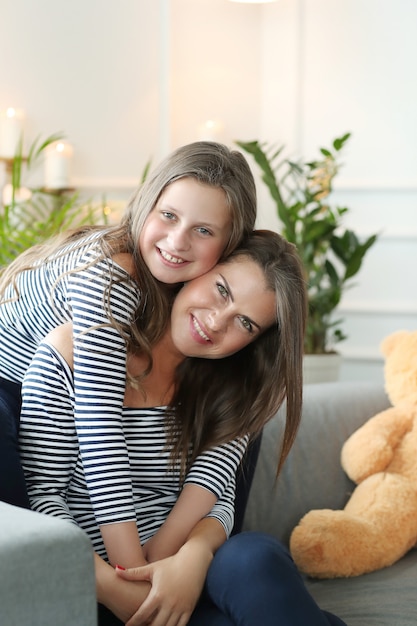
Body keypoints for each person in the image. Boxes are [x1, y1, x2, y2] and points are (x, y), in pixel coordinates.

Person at [20, 231, 346, 626]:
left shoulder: (233, 386)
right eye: (222, 291)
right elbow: (43, 495)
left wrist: (195, 557)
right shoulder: (75, 350)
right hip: (99, 585)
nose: (215, 322)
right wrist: (113, 585)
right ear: (197, 270)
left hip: (189, 576)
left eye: (245, 322)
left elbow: (219, 498)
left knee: (254, 557)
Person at [0, 141, 257, 568]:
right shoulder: (112, 274)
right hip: (10, 385)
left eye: (204, 230)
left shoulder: (185, 284)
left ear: (229, 247)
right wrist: (132, 573)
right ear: (146, 203)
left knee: (239, 396)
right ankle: (34, 572)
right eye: (169, 216)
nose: (177, 240)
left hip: (56, 381)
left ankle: (211, 549)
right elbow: (100, 421)